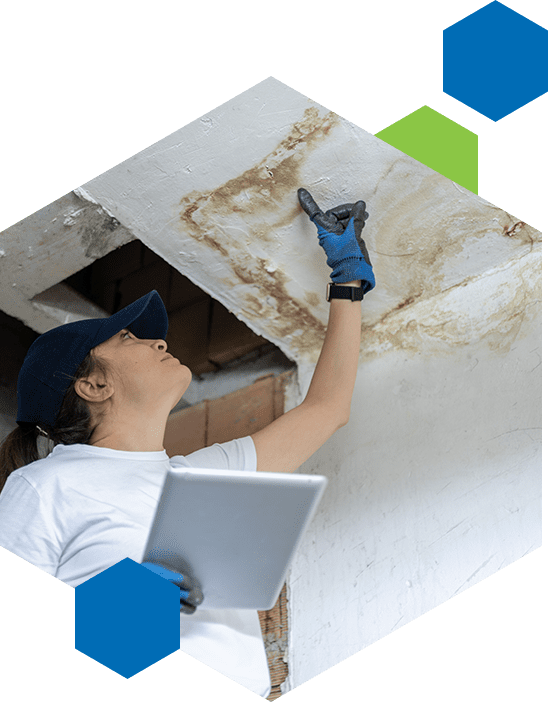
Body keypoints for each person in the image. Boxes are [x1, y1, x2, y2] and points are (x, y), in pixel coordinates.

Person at [0, 187, 375, 696]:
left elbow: (326, 410)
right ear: (92, 386)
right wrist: (126, 607)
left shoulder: (198, 480)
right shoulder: (43, 485)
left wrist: (347, 279)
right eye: (127, 339)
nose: (158, 340)